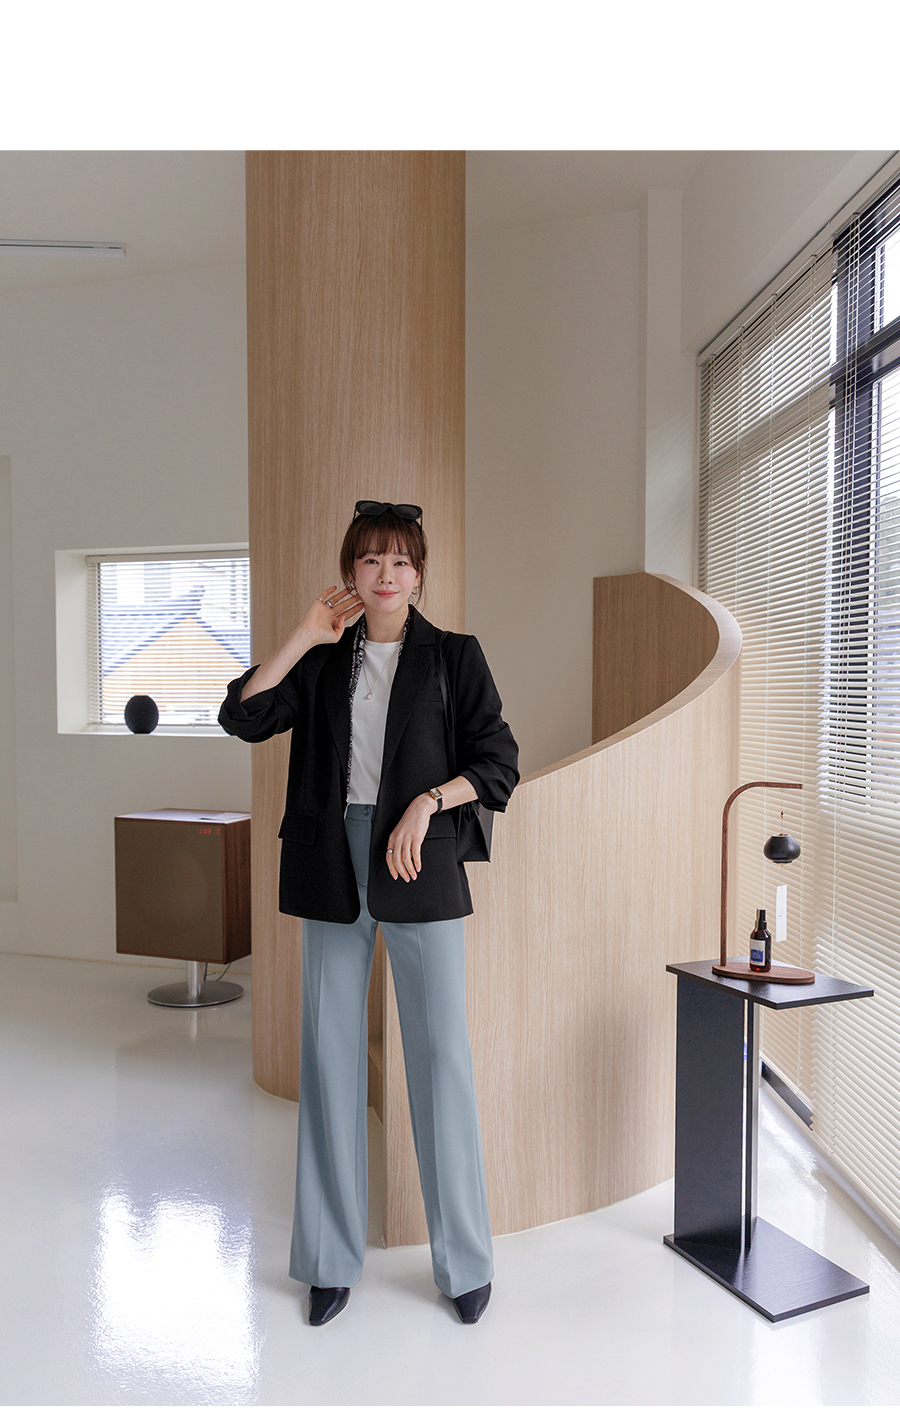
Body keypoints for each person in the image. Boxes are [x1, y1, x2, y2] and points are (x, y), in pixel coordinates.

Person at [218, 500, 519, 1326]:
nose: (387, 575)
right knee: (329, 1059)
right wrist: (301, 635)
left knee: (441, 1061)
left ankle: (465, 1264)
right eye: (371, 560)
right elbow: (242, 715)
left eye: (401, 561)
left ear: (420, 573)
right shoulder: (322, 660)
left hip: (417, 861)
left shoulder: (453, 656)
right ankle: (327, 1260)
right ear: (350, 571)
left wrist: (429, 802)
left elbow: (498, 761)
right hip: (330, 865)